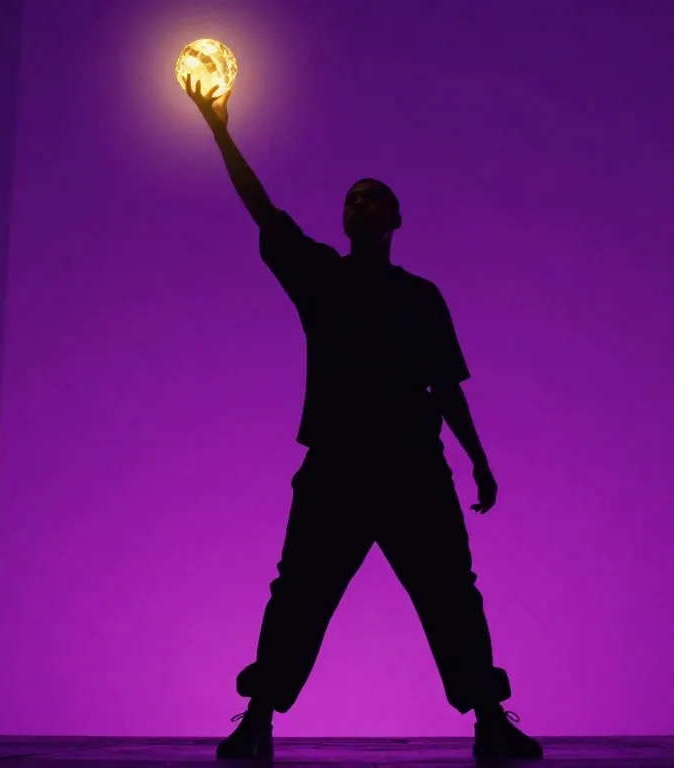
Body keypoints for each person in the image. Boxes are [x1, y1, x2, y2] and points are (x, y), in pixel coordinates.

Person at [183, 74, 542, 761]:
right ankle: (257, 718)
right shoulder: (322, 277)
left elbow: (446, 385)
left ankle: (490, 719)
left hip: (413, 469)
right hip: (338, 468)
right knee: (299, 593)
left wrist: (478, 458)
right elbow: (263, 210)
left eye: (371, 197)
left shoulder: (421, 296)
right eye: (351, 198)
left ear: (394, 220)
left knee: (451, 595)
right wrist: (220, 132)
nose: (358, 204)